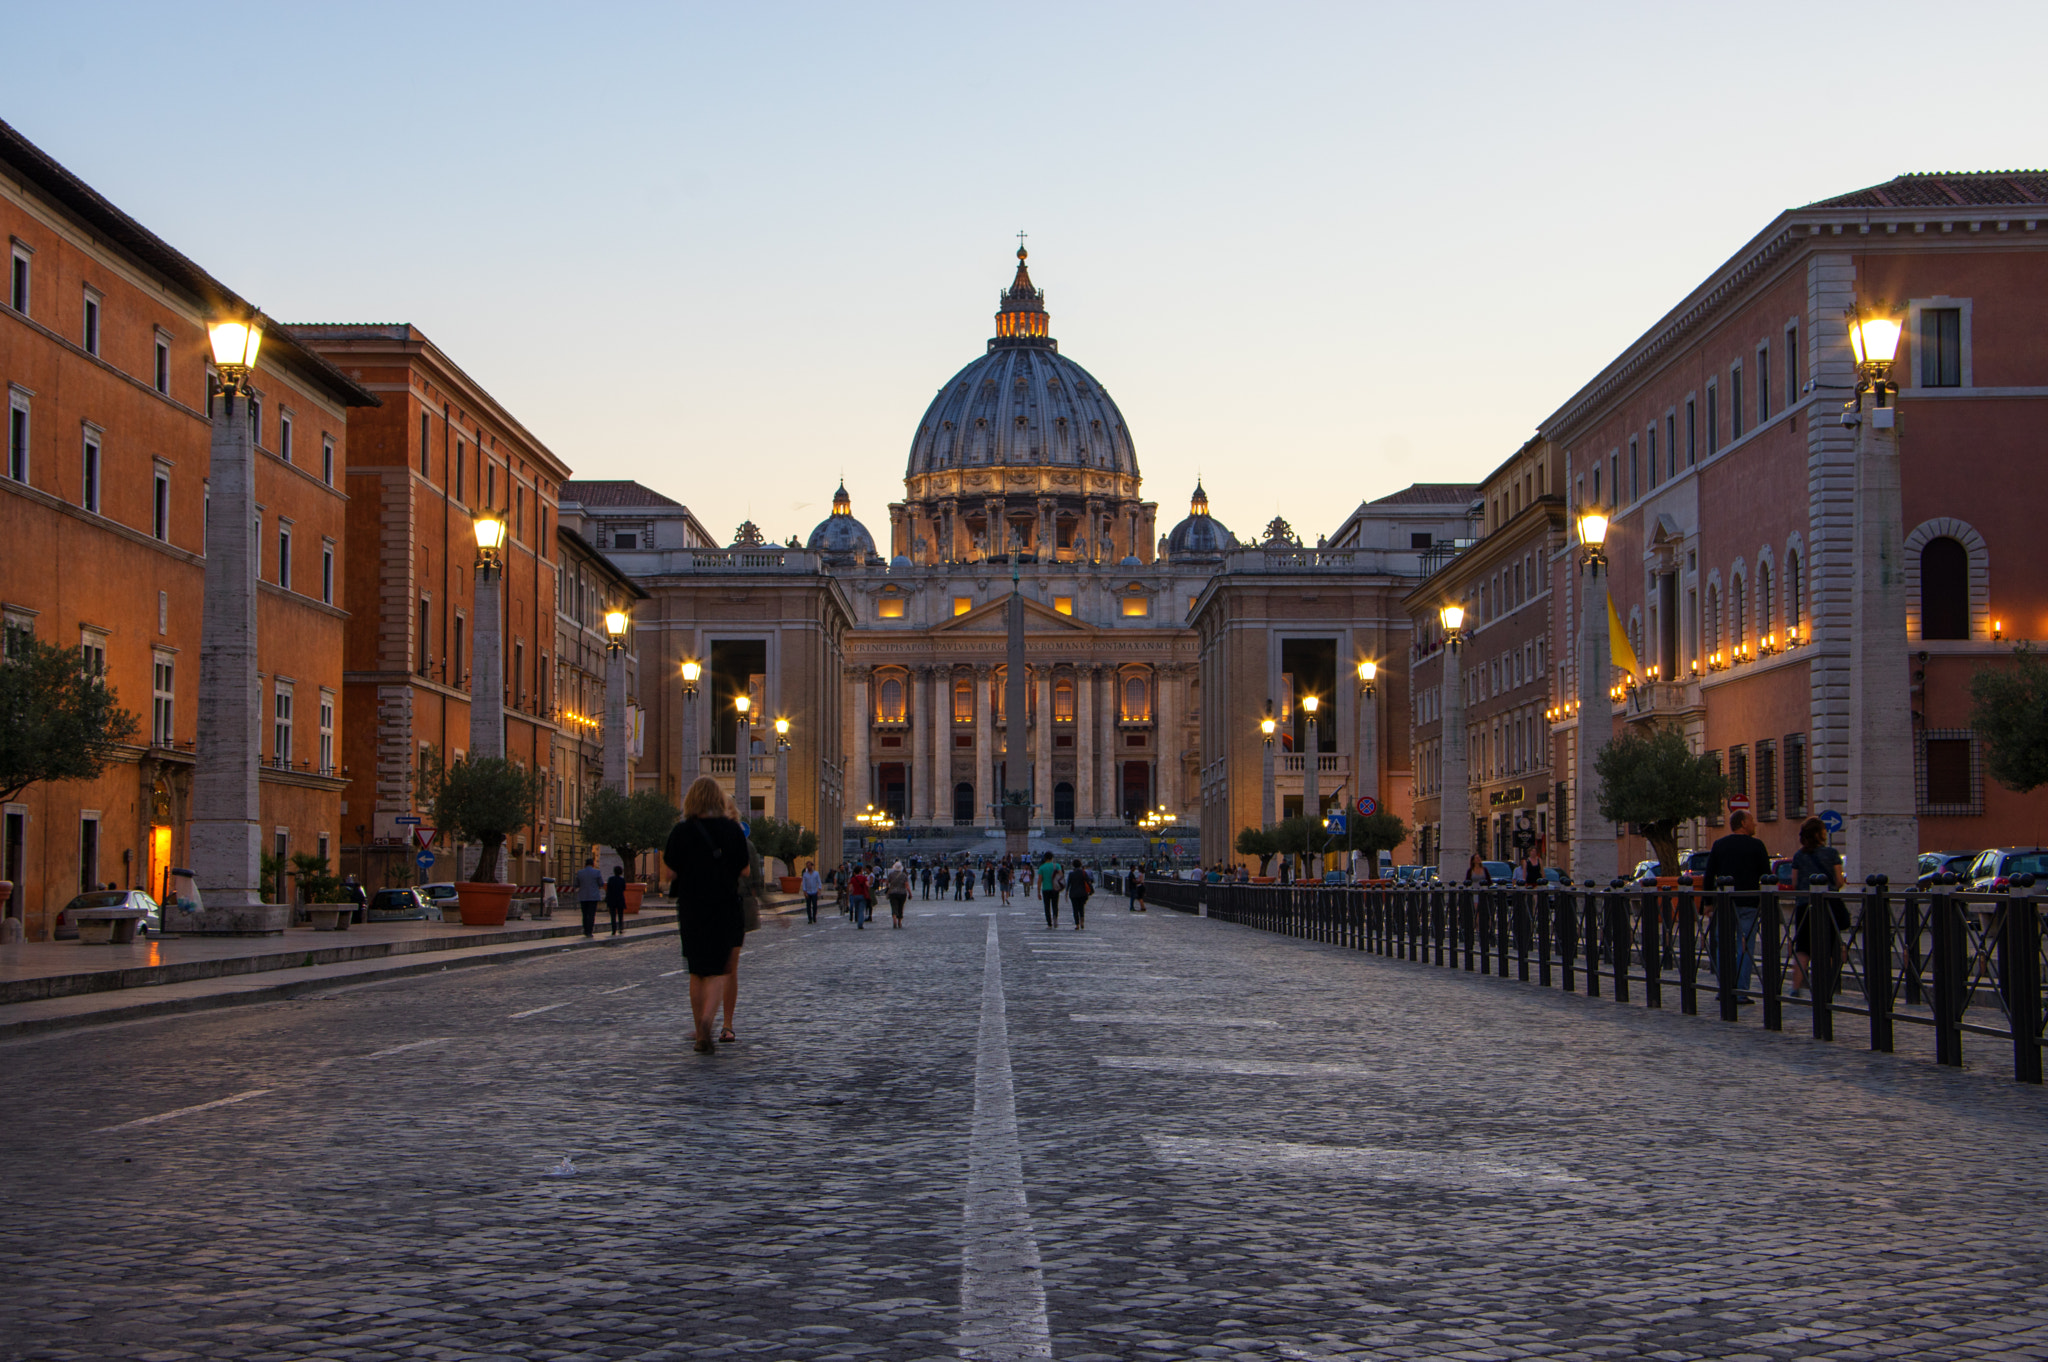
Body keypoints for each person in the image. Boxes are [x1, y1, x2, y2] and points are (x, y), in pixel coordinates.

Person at [662, 776, 750, 1054]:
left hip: (690, 906)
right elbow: (744, 870)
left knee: (697, 971)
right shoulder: (732, 830)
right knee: (717, 970)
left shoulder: (681, 831)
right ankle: (707, 1022)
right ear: (718, 800)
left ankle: (698, 1023)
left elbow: (668, 874)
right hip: (723, 904)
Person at [1704, 809, 1773, 1003]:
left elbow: (1709, 875)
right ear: (1743, 823)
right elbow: (1767, 876)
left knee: (1723, 946)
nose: (1755, 824)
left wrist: (1708, 903)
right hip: (1749, 903)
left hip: (1724, 904)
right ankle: (1741, 990)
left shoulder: (1719, 845)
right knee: (1746, 947)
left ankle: (1724, 987)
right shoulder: (1757, 846)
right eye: (1751, 820)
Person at [1788, 816, 1848, 1000]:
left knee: (1803, 948)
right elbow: (1838, 881)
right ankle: (1823, 987)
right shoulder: (1831, 853)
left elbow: (1795, 882)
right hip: (1827, 905)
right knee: (1827, 947)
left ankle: (1795, 988)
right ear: (1818, 833)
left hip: (1804, 906)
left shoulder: (1799, 856)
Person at [573, 856, 606, 939]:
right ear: (593, 864)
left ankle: (585, 929)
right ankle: (590, 931)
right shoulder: (597, 872)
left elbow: (576, 884)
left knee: (584, 914)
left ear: (585, 864)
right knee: (591, 915)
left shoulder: (580, 873)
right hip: (593, 896)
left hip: (583, 896)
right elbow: (601, 884)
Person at [1067, 858, 1093, 930]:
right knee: (1081, 908)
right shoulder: (1084, 873)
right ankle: (1082, 922)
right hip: (1082, 893)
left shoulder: (1071, 874)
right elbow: (1089, 882)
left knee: (1075, 909)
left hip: (1073, 893)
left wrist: (1066, 892)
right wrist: (1091, 890)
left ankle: (1077, 924)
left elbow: (1068, 884)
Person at [1037, 853, 1062, 928]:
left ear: (1044, 858)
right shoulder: (1057, 866)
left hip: (1046, 889)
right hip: (1055, 888)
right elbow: (1060, 875)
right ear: (1052, 858)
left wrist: (1038, 892)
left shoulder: (1042, 867)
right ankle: (1055, 917)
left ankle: (1049, 923)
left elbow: (1039, 880)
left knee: (1047, 906)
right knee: (1055, 905)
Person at [604, 864, 629, 937]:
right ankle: (620, 928)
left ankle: (613, 929)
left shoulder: (611, 879)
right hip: (620, 899)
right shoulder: (622, 880)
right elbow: (624, 888)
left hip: (612, 899)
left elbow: (608, 889)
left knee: (613, 915)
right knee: (620, 915)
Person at [885, 860, 910, 928]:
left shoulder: (891, 874)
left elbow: (887, 883)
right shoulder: (904, 875)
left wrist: (888, 887)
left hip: (893, 892)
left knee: (893, 906)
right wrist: (910, 893)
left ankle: (894, 919)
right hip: (902, 893)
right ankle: (899, 921)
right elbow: (906, 885)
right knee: (900, 906)